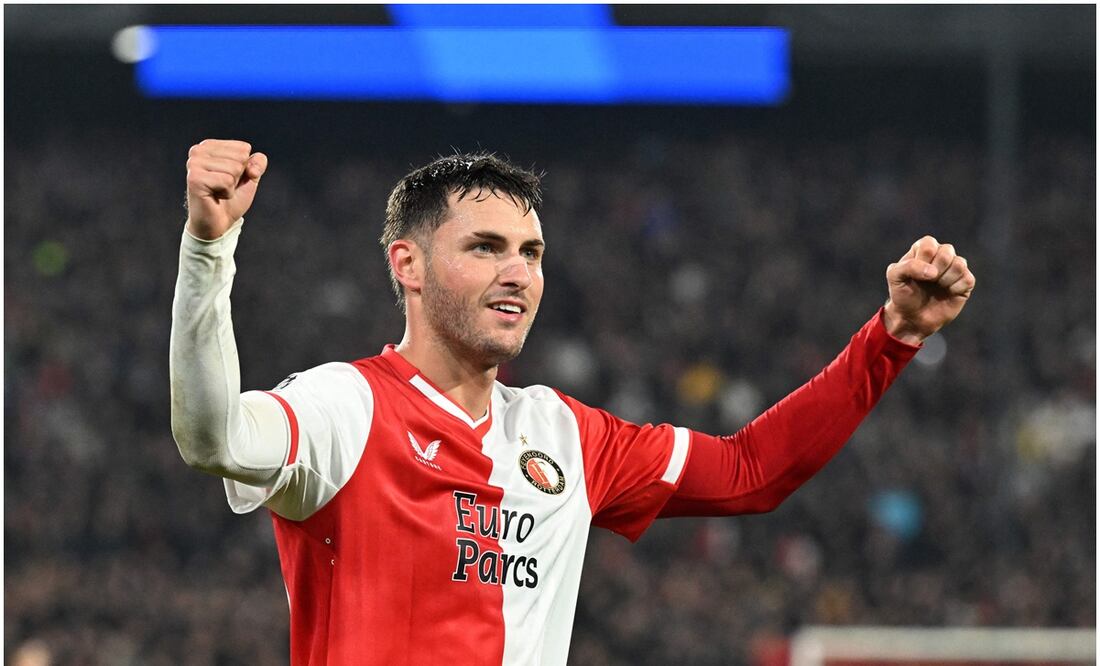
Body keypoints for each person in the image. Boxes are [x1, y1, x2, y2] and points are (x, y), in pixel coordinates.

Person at [170, 139, 976, 665]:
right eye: (485, 248)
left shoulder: (564, 435)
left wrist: (893, 336)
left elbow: (751, 471)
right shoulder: (345, 406)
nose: (517, 272)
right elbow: (212, 437)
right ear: (407, 265)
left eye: (531, 252)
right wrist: (210, 249)